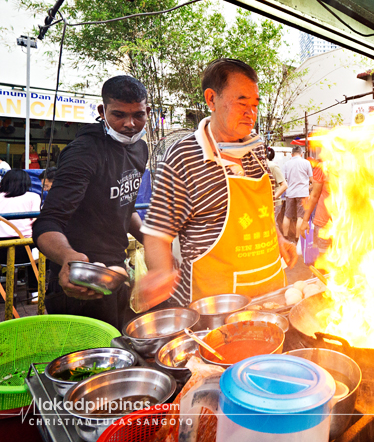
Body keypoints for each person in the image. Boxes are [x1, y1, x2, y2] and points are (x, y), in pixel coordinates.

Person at [135, 58, 297, 310]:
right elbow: (158, 232)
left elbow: (261, 212)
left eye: (255, 104)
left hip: (272, 298)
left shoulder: (255, 149)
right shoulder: (184, 156)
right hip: (214, 310)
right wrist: (160, 272)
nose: (251, 112)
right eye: (242, 102)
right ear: (211, 99)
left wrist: (279, 240)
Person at [32, 75, 150, 329]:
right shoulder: (84, 152)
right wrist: (68, 257)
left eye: (138, 115)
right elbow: (47, 223)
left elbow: (123, 204)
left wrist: (155, 242)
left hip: (117, 272)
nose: (129, 124)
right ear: (102, 111)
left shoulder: (140, 148)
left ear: (147, 111)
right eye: (119, 115)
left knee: (117, 349)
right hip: (79, 281)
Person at [0, 170, 42, 291]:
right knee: (41, 251)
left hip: (1, 250)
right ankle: (34, 292)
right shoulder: (33, 197)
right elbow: (35, 220)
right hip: (24, 250)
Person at [299, 161, 332, 265]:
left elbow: (314, 196)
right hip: (325, 224)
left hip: (346, 227)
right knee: (324, 263)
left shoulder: (355, 164)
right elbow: (314, 196)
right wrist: (305, 220)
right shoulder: (323, 167)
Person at [282, 146, 313, 241]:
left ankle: (285, 237)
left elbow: (283, 180)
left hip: (290, 193)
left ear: (291, 154)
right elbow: (312, 180)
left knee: (287, 216)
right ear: (302, 153)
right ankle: (298, 239)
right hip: (303, 194)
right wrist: (308, 188)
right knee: (300, 217)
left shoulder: (286, 164)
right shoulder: (306, 163)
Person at [267, 147, 288, 228]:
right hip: (266, 202)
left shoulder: (272, 166)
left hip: (274, 203)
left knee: (271, 224)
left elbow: (284, 185)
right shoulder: (262, 166)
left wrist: (272, 198)